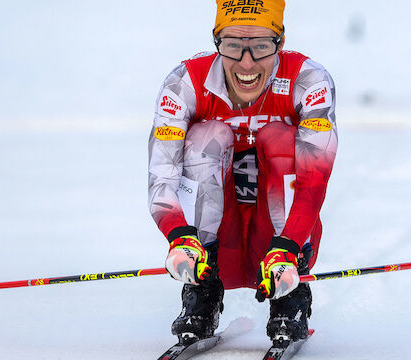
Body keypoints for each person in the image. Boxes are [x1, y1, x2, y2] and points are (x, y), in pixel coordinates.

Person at [148, 0, 337, 345]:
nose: (246, 63)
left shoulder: (308, 79)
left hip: (282, 241)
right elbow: (162, 175)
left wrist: (289, 246)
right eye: (233, 45)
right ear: (216, 40)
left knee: (280, 138)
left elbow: (314, 179)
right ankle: (202, 293)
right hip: (217, 241)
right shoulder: (185, 83)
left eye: (262, 47)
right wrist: (179, 237)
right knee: (208, 136)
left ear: (280, 40)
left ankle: (288, 300)